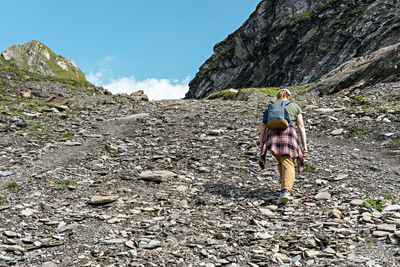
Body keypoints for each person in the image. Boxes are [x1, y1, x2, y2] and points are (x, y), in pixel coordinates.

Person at [259, 88, 307, 205]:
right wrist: (304, 145)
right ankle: (285, 191)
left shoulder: (270, 106)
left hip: (272, 137)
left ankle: (284, 185)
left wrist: (261, 143)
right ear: (289, 96)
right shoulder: (294, 106)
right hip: (288, 135)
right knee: (289, 163)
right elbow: (301, 126)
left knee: (282, 161)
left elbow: (263, 126)